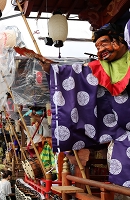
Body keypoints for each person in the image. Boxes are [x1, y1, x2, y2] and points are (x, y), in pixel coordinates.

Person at [38, 22, 130, 187]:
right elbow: (74, 76)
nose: (101, 50)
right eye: (97, 47)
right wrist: (52, 70)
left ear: (118, 41)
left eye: (104, 43)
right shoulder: (98, 67)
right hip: (124, 141)